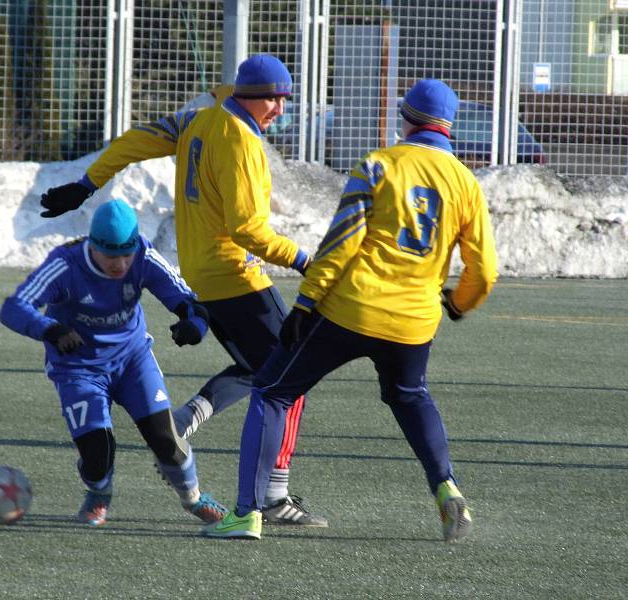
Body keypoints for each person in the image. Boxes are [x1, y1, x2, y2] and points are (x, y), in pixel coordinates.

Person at [202, 79, 499, 541]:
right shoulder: (466, 183)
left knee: (272, 391)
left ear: (406, 118)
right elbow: (485, 269)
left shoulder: (379, 165)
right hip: (414, 322)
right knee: (409, 395)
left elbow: (341, 245)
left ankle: (247, 514)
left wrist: (305, 302)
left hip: (350, 309)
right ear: (448, 127)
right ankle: (447, 489)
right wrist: (460, 304)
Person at [38, 54, 326, 526]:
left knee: (264, 367)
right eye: (275, 99)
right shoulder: (242, 145)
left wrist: (89, 183)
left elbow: (134, 140)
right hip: (237, 274)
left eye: (284, 99)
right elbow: (249, 230)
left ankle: (187, 418)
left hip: (201, 273)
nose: (280, 109)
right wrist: (305, 260)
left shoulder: (199, 119)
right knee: (289, 380)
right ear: (250, 97)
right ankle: (273, 496)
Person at [0, 198, 228, 527]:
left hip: (132, 360)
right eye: (110, 255)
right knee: (98, 453)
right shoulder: (65, 264)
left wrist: (194, 324)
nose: (120, 264)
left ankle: (193, 499)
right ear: (93, 246)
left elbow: (189, 301)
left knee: (165, 438)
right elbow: (14, 307)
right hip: (79, 369)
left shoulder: (144, 256)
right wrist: (51, 329)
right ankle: (98, 492)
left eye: (126, 253)